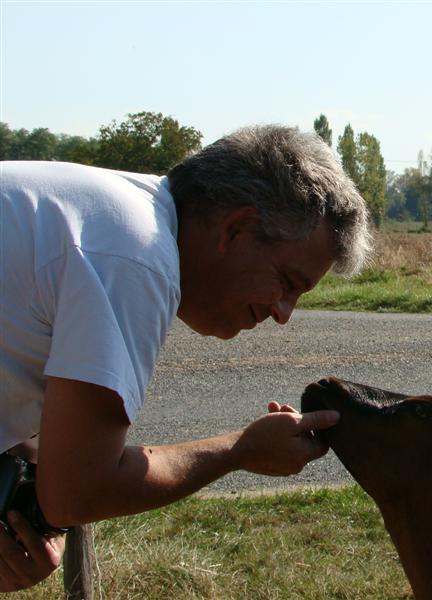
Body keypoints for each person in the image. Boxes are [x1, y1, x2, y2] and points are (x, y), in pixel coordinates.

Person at [0, 124, 373, 592]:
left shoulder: (117, 217)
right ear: (235, 228)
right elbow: (76, 493)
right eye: (287, 281)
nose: (283, 314)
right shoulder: (136, 257)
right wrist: (242, 450)